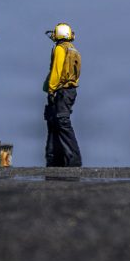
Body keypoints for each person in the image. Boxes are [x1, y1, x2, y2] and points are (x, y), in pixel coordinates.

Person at [43, 23, 82, 167]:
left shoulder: (60, 48)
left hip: (61, 91)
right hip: (71, 91)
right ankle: (55, 160)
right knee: (55, 123)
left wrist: (51, 89)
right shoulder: (74, 49)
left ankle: (73, 160)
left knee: (62, 122)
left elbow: (57, 72)